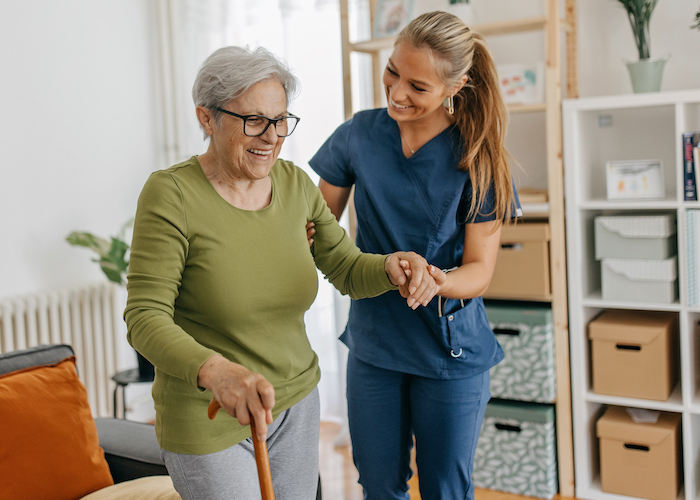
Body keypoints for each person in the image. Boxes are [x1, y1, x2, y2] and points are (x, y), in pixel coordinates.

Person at [124, 45, 441, 500]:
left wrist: (391, 267)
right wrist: (216, 372)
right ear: (206, 118)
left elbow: (346, 268)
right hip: (209, 412)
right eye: (253, 119)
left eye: (280, 120)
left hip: (294, 402)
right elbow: (145, 317)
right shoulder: (171, 194)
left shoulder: (294, 185)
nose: (271, 136)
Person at [308, 11, 521, 500]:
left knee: (446, 490)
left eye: (418, 86)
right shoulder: (358, 135)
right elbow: (316, 229)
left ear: (456, 86)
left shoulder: (479, 156)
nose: (397, 92)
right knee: (379, 487)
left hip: (449, 350)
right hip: (375, 345)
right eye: (392, 72)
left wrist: (437, 280)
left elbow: (479, 271)